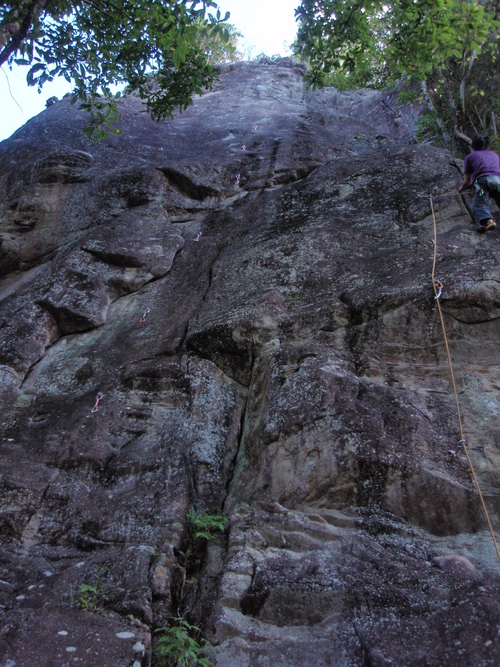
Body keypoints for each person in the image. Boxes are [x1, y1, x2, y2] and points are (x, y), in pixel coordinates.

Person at [459, 135, 500, 232]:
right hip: (497, 181)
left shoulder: (470, 157)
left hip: (483, 182)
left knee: (479, 204)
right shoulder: (494, 155)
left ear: (473, 147)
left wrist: (461, 189)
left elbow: (466, 181)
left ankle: (489, 222)